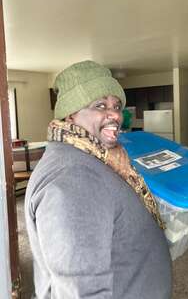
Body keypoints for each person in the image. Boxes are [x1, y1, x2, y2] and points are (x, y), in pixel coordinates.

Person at [25, 60, 172, 299]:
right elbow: (80, 291)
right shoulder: (73, 179)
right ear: (71, 115)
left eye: (116, 105)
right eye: (100, 105)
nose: (115, 114)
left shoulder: (97, 157)